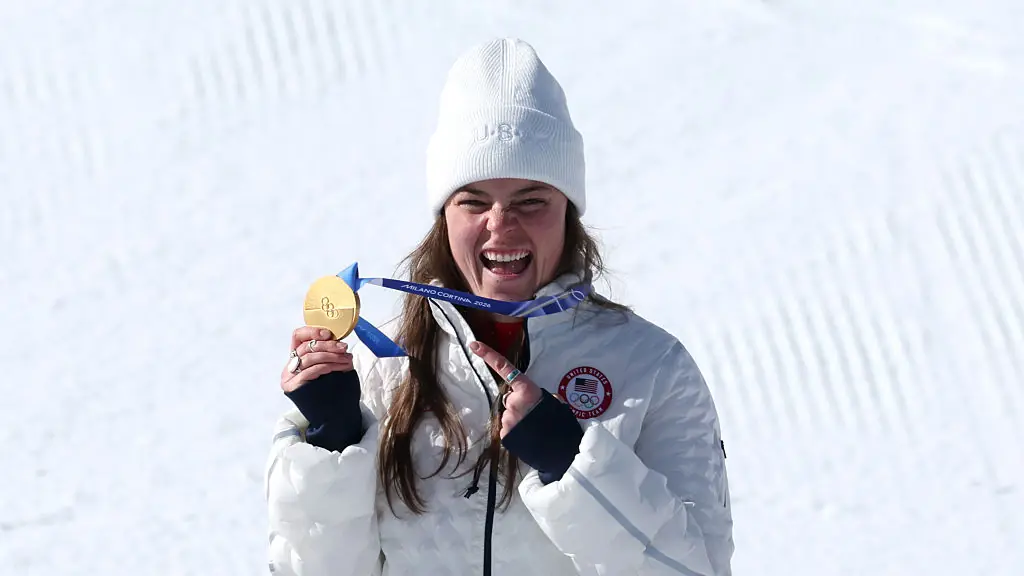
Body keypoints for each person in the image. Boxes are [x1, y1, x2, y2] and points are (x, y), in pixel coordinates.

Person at [265, 37, 734, 576]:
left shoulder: (652, 368)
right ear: (444, 216)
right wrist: (332, 440)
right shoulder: (381, 365)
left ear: (568, 212)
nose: (500, 224)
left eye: (531, 200)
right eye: (473, 201)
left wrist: (573, 465)